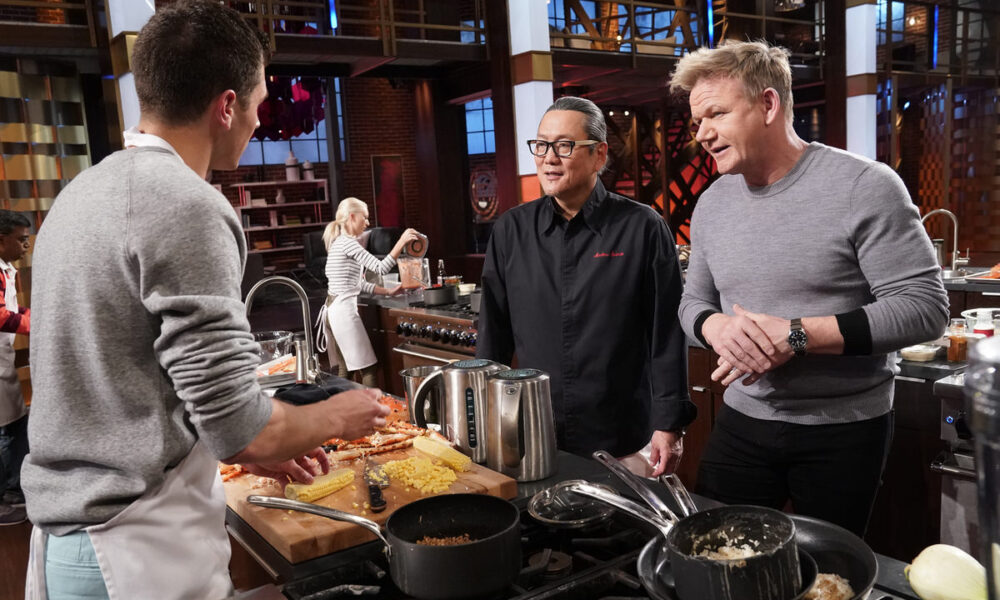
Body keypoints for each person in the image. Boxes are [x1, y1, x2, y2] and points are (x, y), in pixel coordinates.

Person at [21, 2, 388, 598]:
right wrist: (343, 413)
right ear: (225, 106)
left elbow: (134, 377)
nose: (258, 117)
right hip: (135, 548)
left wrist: (251, 439)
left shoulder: (82, 190)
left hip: (74, 539)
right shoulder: (185, 203)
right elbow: (245, 431)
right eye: (258, 100)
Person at [672, 40, 949, 536]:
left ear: (768, 104)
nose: (703, 134)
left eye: (716, 114)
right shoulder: (712, 202)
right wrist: (714, 327)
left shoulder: (864, 185)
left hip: (843, 429)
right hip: (744, 419)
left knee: (824, 575)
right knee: (713, 550)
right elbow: (691, 303)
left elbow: (925, 308)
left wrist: (795, 336)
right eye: (698, 122)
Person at [477, 96, 695, 475]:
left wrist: (669, 423)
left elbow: (666, 332)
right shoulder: (511, 230)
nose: (548, 158)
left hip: (622, 436)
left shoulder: (642, 227)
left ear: (599, 155)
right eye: (541, 145)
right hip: (532, 434)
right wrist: (484, 417)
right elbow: (492, 333)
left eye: (564, 146)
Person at [318, 197, 420, 386]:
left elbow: (358, 283)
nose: (367, 222)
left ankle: (342, 412)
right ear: (352, 217)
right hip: (342, 313)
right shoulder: (349, 243)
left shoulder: (338, 243)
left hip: (332, 311)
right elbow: (381, 268)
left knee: (346, 370)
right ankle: (372, 414)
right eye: (364, 218)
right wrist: (401, 241)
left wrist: (388, 292)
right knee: (369, 369)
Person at [0, 210, 30, 526]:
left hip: (4, 361)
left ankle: (17, 488)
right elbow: (1, 316)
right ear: (2, 239)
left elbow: (11, 309)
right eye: (21, 240)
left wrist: (32, 313)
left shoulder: (6, 270)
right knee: (3, 434)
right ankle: (4, 497)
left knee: (16, 425)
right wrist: (35, 323)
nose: (26, 246)